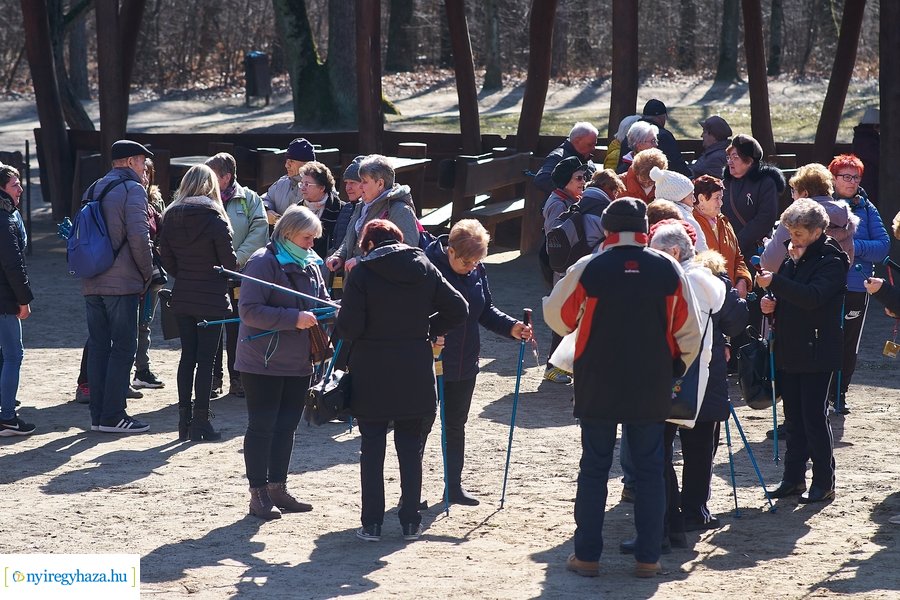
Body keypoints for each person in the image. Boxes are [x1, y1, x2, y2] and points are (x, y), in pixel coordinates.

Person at [544, 198, 701, 578]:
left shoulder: (590, 267)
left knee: (594, 468)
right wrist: (675, 367)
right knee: (649, 471)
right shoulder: (667, 268)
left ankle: (587, 556)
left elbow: (558, 317)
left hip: (597, 381)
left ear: (607, 229)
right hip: (651, 381)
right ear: (645, 228)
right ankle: (648, 558)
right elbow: (690, 332)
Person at [338, 219, 467, 542]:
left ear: (368, 244)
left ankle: (372, 524)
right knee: (410, 447)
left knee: (372, 447)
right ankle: (411, 521)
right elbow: (459, 308)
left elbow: (349, 328)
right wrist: (429, 328)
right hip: (414, 366)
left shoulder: (363, 273)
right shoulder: (424, 266)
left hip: (371, 369)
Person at [422, 220, 533, 506]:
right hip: (428, 361)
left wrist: (512, 327)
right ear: (450, 251)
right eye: (466, 262)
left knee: (455, 425)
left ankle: (453, 487)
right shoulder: (426, 268)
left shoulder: (476, 270)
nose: (471, 266)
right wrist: (431, 335)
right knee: (419, 426)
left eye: (476, 262)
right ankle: (411, 493)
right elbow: (413, 313)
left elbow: (485, 310)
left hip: (465, 361)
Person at [235, 205, 330, 520]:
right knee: (262, 426)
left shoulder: (311, 263)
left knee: (287, 426)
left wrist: (337, 310)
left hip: (299, 360)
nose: (311, 244)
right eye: (307, 238)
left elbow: (320, 301)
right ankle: (258, 493)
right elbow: (249, 311)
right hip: (262, 360)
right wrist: (294, 318)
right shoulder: (262, 262)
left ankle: (278, 487)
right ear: (288, 234)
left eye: (314, 239)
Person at [757, 198, 849, 504]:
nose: (793, 239)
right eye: (791, 233)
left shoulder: (832, 260)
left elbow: (812, 297)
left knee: (813, 417)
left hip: (818, 349)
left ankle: (824, 481)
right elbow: (788, 295)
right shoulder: (794, 255)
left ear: (816, 231)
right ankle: (793, 478)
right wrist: (771, 303)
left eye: (798, 234)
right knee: (793, 418)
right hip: (791, 346)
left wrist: (776, 283)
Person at [158, 164, 237, 442]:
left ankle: (184, 420)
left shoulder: (171, 217)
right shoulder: (215, 218)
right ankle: (201, 421)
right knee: (206, 361)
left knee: (187, 357)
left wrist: (185, 275)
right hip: (211, 297)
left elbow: (166, 258)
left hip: (183, 294)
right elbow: (229, 263)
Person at [82, 140, 154, 433]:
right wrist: (147, 273)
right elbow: (139, 237)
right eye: (142, 161)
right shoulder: (132, 189)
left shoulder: (94, 188)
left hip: (92, 278)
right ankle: (113, 415)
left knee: (98, 346)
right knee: (124, 347)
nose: (144, 167)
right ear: (130, 161)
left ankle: (98, 415)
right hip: (122, 281)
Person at [826, 154, 889, 412]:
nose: (852, 182)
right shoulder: (822, 204)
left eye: (856, 177)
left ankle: (839, 393)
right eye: (846, 176)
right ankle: (821, 392)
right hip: (824, 286)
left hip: (855, 285)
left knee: (849, 343)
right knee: (824, 339)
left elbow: (883, 246)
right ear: (833, 178)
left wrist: (853, 246)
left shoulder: (866, 207)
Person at [205, 152, 269, 399]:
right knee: (212, 326)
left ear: (226, 177)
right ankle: (213, 378)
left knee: (237, 327)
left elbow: (259, 231)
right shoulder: (203, 198)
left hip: (240, 274)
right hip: (210, 274)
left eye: (212, 175)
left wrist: (236, 259)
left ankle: (237, 377)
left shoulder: (249, 199)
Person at [325, 154, 420, 276]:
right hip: (358, 280)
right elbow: (350, 238)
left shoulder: (400, 210)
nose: (360, 186)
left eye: (364, 182)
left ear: (380, 184)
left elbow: (406, 249)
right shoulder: (361, 206)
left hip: (381, 283)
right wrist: (340, 255)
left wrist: (362, 261)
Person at [541, 156, 588, 384]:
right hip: (562, 267)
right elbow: (556, 240)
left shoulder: (570, 199)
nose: (583, 182)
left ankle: (563, 364)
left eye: (584, 177)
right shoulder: (558, 204)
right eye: (578, 178)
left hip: (567, 266)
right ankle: (553, 366)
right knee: (564, 314)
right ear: (565, 181)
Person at [760, 163, 857, 272]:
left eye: (794, 191)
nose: (792, 196)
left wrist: (768, 245)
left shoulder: (796, 216)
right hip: (834, 281)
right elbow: (849, 260)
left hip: (798, 281)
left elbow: (770, 264)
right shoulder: (844, 217)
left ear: (805, 194)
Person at [0, 165, 35, 436]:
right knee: (13, 355)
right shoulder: (5, 219)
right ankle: (8, 417)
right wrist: (24, 300)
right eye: (15, 185)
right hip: (4, 300)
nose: (20, 189)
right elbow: (14, 266)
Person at [720, 134, 785, 271]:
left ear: (749, 161)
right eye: (729, 157)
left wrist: (737, 243)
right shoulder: (725, 183)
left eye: (735, 157)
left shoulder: (766, 183)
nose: (730, 162)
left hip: (753, 252)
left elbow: (765, 218)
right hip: (727, 250)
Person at [132, 157, 167, 390]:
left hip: (152, 271)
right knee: (128, 323)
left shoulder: (155, 201)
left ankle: (142, 368)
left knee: (145, 322)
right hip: (132, 272)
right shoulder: (127, 197)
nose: (145, 177)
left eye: (148, 173)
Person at [692, 175, 751, 299]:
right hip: (706, 299)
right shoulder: (691, 225)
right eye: (717, 198)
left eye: (721, 198)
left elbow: (738, 257)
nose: (721, 203)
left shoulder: (724, 222)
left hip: (731, 298)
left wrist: (743, 280)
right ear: (701, 199)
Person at [618, 99, 692, 177]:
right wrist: (690, 176)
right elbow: (677, 166)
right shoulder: (664, 136)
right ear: (662, 117)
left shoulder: (631, 134)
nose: (656, 145)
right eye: (653, 141)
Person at [649, 166, 708, 251]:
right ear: (680, 197)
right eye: (691, 195)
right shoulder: (686, 219)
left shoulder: (649, 213)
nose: (694, 200)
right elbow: (701, 251)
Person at [533, 122, 598, 196]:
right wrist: (570, 192)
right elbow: (542, 179)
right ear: (577, 141)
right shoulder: (558, 157)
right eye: (590, 144)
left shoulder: (588, 160)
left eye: (595, 144)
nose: (593, 148)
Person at [298, 161, 344, 265]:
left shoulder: (340, 209)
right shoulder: (297, 210)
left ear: (322, 188)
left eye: (307, 184)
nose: (302, 188)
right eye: (301, 183)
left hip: (329, 266)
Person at [263, 137, 316, 223]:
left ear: (305, 163)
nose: (286, 165)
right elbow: (266, 199)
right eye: (287, 161)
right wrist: (267, 211)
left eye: (291, 161)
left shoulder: (319, 186)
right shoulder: (281, 183)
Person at [852, 107, 879, 206]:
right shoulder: (871, 140)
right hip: (871, 179)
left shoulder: (859, 137)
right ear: (876, 126)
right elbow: (877, 159)